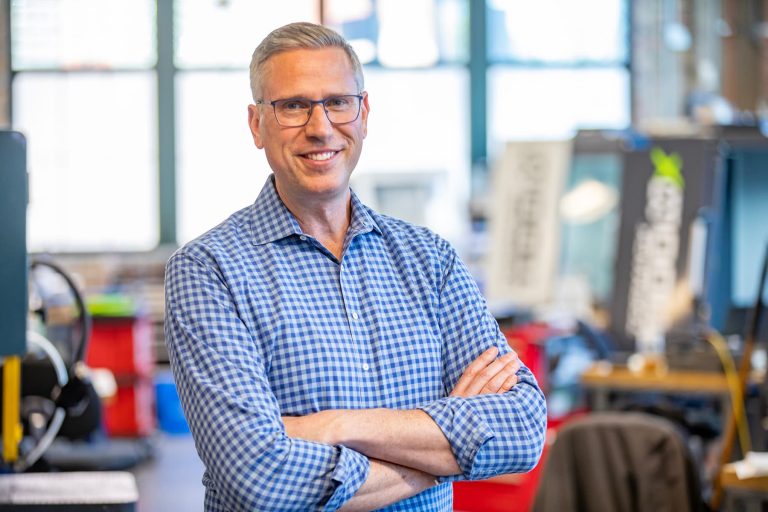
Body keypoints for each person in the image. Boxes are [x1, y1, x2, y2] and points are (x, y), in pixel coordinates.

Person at [164, 21, 546, 512]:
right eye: (293, 106)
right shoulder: (208, 271)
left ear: (363, 113)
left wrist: (337, 425)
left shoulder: (430, 261)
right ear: (257, 124)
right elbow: (258, 478)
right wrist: (443, 452)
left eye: (338, 102)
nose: (321, 127)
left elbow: (521, 432)